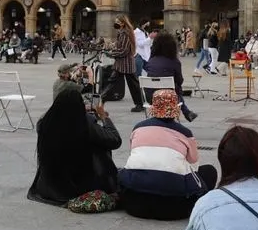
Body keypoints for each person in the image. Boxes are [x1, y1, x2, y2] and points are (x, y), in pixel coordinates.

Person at [118, 90, 216, 220]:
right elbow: (194, 165)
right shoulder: (185, 133)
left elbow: (135, 152)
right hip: (173, 209)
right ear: (176, 109)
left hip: (133, 205)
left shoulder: (138, 128)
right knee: (209, 171)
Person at [27, 89, 121, 205]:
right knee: (100, 143)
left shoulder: (44, 122)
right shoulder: (84, 124)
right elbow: (115, 140)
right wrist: (104, 117)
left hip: (50, 185)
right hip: (81, 186)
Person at [145, 32, 198, 122]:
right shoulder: (174, 62)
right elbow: (180, 80)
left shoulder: (151, 61)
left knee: (173, 87)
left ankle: (187, 112)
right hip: (169, 98)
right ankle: (186, 112)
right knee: (176, 87)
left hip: (151, 97)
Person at [105, 15, 144, 112]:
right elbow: (121, 47)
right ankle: (140, 104)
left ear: (123, 23)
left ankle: (100, 99)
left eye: (118, 22)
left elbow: (124, 50)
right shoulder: (121, 33)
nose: (116, 23)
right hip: (122, 63)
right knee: (116, 82)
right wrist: (113, 47)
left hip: (126, 63)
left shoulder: (125, 33)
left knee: (131, 84)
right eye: (115, 21)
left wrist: (111, 54)